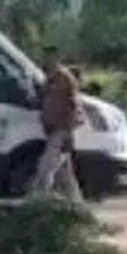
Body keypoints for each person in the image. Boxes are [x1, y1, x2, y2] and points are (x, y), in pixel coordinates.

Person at [30, 54, 84, 202]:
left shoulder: (63, 80)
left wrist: (67, 126)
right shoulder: (51, 82)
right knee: (64, 169)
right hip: (55, 127)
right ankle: (75, 200)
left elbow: (73, 106)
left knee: (46, 164)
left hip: (61, 128)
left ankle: (39, 195)